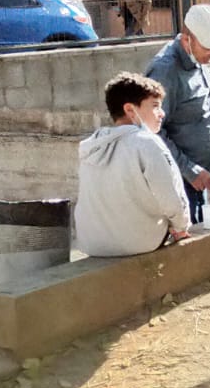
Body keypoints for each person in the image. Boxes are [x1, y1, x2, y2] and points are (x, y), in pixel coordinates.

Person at [74, 72, 190, 257]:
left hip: (93, 245)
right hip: (139, 243)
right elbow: (171, 196)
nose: (162, 113)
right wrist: (181, 227)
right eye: (155, 106)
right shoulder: (146, 142)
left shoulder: (92, 145)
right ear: (130, 109)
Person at [145, 3, 210, 225]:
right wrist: (189, 169)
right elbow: (151, 131)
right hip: (179, 180)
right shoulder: (165, 70)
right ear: (187, 40)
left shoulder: (197, 58)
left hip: (199, 177)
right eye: (209, 48)